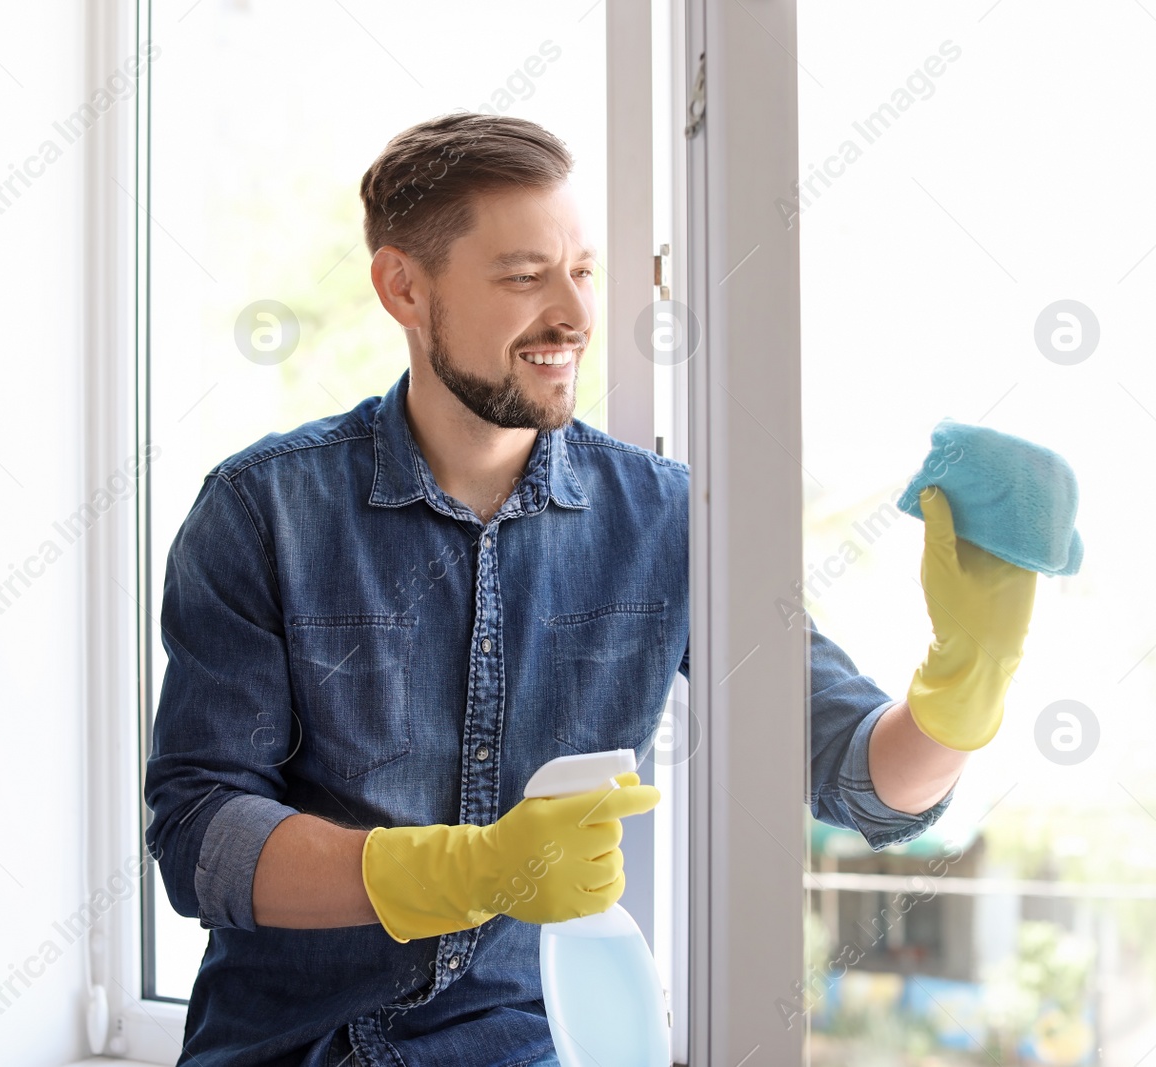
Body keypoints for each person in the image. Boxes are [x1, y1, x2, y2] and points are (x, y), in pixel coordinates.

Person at [144, 111, 1036, 1066]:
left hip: (523, 1043)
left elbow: (861, 780)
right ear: (404, 286)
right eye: (525, 276)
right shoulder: (261, 511)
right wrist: (466, 871)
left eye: (583, 271)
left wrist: (968, 673)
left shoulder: (667, 519)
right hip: (283, 1044)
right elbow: (204, 836)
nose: (573, 315)